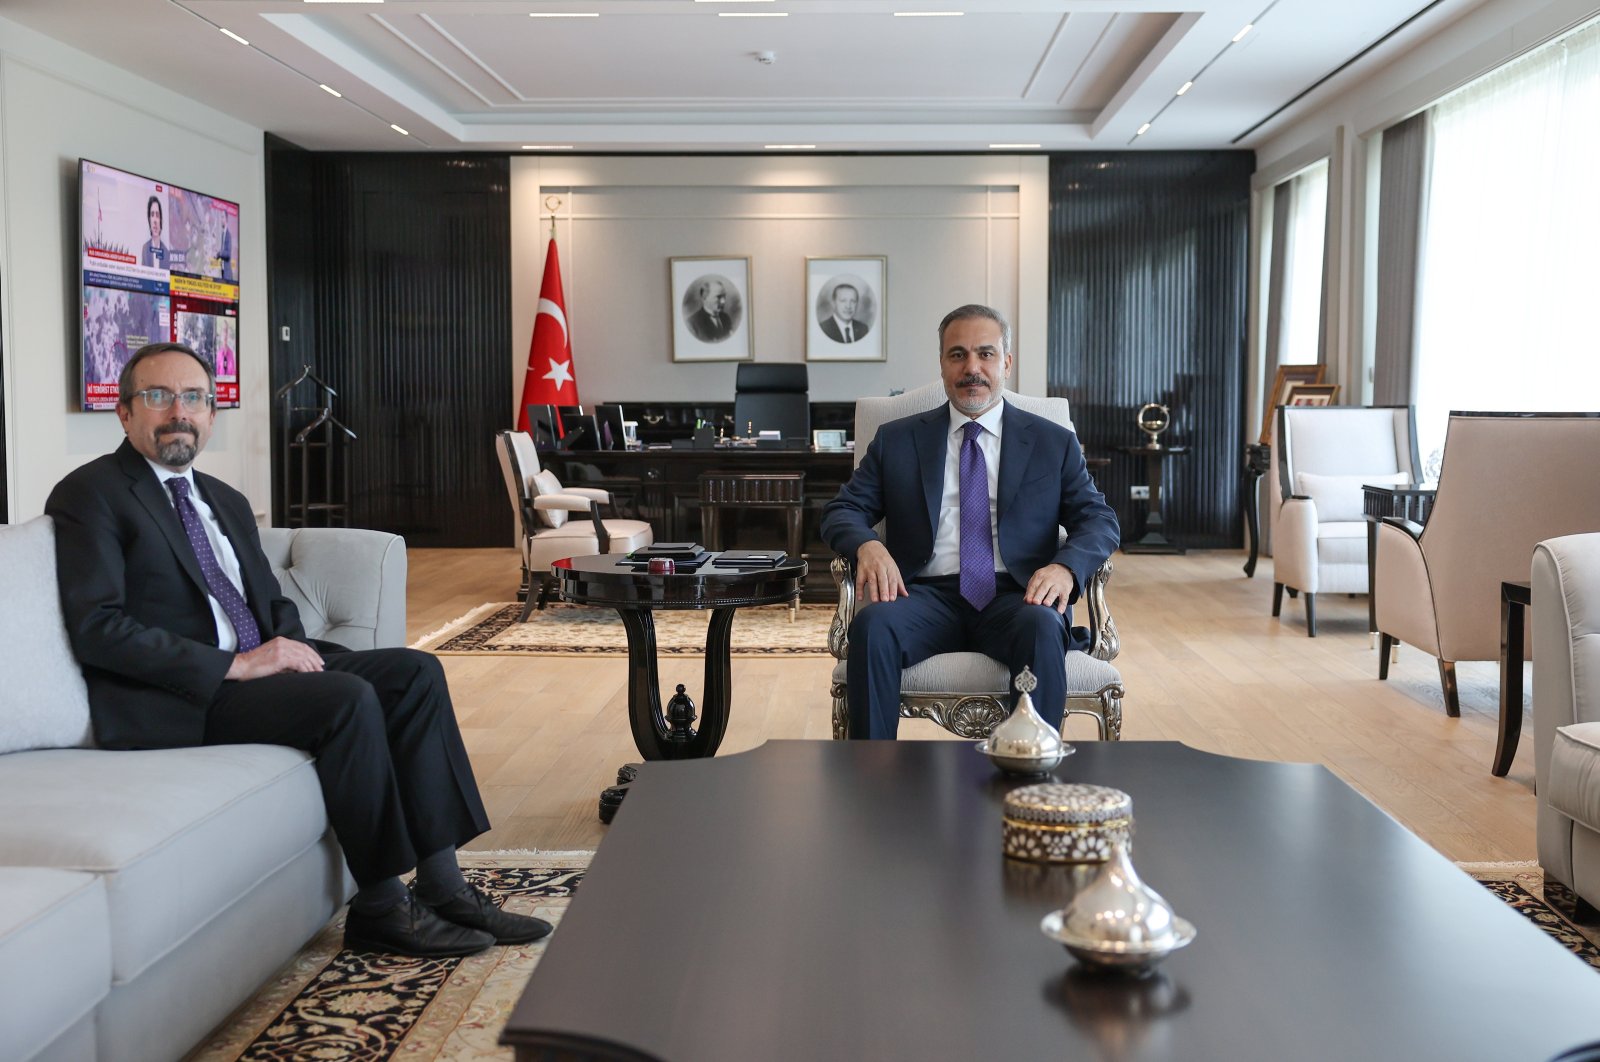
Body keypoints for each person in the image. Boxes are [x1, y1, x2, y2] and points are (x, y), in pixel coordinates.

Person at [45, 341, 550, 959]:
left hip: (256, 669)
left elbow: (268, 601)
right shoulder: (91, 493)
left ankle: (446, 888)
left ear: (210, 414)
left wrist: (284, 644)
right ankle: (382, 907)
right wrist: (239, 664)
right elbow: (98, 627)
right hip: (184, 697)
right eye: (159, 396)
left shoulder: (223, 500)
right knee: (346, 699)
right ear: (124, 413)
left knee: (415, 671)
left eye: (195, 398)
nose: (179, 411)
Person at [820, 304, 1120, 740]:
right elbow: (841, 510)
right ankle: (872, 778)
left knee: (1042, 626)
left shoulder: (1052, 442)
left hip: (1017, 595)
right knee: (873, 625)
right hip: (923, 594)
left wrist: (1066, 567)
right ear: (942, 363)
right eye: (957, 355)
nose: (972, 368)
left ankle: (1036, 772)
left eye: (986, 354)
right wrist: (867, 545)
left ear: (1007, 363)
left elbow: (1099, 518)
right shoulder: (898, 439)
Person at [140, 195, 168, 269]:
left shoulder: (166, 252)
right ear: (149, 220)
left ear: (160, 220)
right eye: (152, 215)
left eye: (157, 215)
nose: (155, 220)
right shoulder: (145, 249)